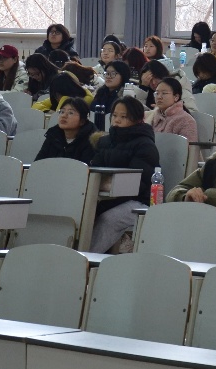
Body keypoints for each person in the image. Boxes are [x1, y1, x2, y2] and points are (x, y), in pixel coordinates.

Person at [88, 97, 160, 251]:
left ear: (137, 119)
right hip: (108, 197)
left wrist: (109, 188)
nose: (117, 120)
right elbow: (95, 168)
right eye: (114, 115)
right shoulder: (105, 141)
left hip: (138, 201)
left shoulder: (145, 145)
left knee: (108, 219)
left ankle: (87, 257)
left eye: (124, 116)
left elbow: (140, 184)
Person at [33, 97, 97, 164]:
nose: (63, 116)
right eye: (62, 112)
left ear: (82, 121)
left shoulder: (91, 141)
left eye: (70, 113)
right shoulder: (53, 135)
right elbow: (37, 163)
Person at [150, 78, 198, 142]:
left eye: (164, 93)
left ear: (176, 97)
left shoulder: (186, 120)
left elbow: (189, 146)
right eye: (157, 93)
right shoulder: (154, 116)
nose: (159, 97)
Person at [91, 61, 131, 130]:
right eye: (107, 73)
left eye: (113, 74)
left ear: (123, 75)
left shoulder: (127, 94)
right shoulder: (101, 92)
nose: (108, 77)